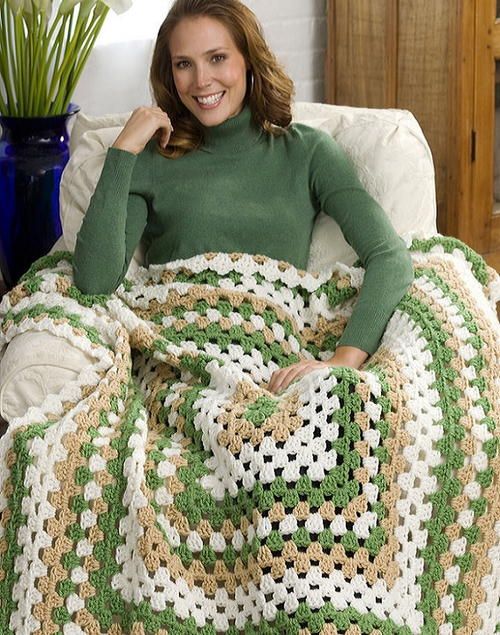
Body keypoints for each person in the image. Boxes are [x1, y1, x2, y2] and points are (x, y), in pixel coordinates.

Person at [73, 0, 414, 394]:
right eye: (184, 64)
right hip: (179, 368)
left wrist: (342, 361)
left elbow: (390, 256)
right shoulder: (151, 158)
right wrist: (123, 153)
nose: (201, 80)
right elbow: (94, 283)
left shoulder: (308, 152)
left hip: (273, 366)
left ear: (248, 60)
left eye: (217, 58)